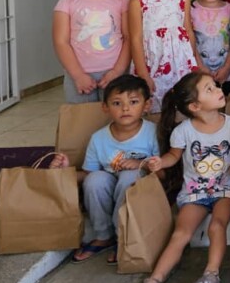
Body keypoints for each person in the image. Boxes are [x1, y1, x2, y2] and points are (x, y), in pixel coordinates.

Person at [143, 74, 230, 283]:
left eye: (215, 86)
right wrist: (160, 163)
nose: (218, 90)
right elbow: (174, 156)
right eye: (209, 89)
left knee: (217, 226)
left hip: (225, 189)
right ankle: (155, 279)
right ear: (194, 106)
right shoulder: (183, 131)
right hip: (194, 192)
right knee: (181, 232)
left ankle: (211, 274)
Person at [49, 75, 158, 264]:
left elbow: (162, 171)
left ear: (146, 105)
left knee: (128, 177)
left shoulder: (152, 132)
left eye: (133, 102)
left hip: (138, 186)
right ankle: (103, 234)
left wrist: (142, 164)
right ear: (105, 107)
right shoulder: (98, 138)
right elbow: (88, 174)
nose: (125, 108)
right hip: (109, 182)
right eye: (117, 103)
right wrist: (65, 171)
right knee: (95, 180)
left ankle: (123, 236)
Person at [127, 0, 199, 114]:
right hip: (152, 62)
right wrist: (143, 73)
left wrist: (191, 63)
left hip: (180, 64)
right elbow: (135, 38)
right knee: (153, 105)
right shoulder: (138, 0)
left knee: (181, 105)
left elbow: (187, 31)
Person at [53, 0, 131, 103]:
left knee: (117, 121)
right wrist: (78, 75)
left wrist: (117, 71)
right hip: (79, 75)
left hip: (115, 74)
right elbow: (61, 42)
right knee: (82, 123)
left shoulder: (122, 2)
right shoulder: (65, 3)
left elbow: (129, 38)